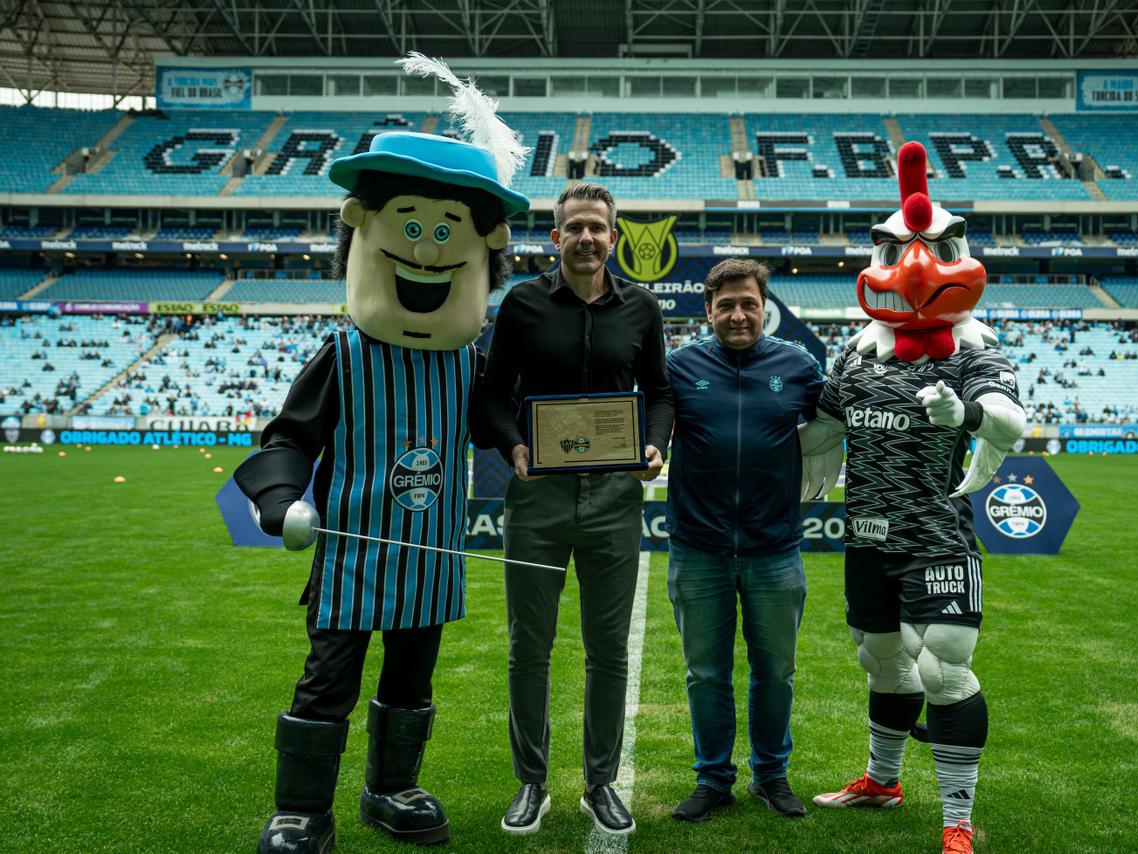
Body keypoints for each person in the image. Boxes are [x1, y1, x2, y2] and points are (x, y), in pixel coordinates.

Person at [233, 55, 529, 854]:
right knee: (327, 679)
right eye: (412, 229)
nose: (431, 250)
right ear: (364, 228)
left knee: (411, 681)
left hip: (430, 556)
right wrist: (278, 500)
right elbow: (288, 437)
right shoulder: (344, 354)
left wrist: (537, 450)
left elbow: (499, 424)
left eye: (448, 234)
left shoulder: (467, 363)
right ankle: (302, 809)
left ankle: (390, 788)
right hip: (350, 558)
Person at [809, 142, 1026, 854]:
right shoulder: (856, 355)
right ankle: (883, 779)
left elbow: (1008, 421)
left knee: (944, 665)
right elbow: (818, 426)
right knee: (882, 661)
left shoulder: (973, 352)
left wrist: (963, 415)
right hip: (867, 534)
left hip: (937, 536)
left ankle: (958, 822)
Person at [472, 182, 674, 837]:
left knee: (607, 650)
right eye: (575, 227)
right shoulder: (523, 305)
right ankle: (530, 782)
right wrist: (514, 445)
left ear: (612, 238)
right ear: (556, 237)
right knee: (528, 647)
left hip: (615, 498)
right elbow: (493, 395)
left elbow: (662, 394)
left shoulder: (641, 309)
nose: (588, 237)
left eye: (598, 227)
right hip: (538, 496)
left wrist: (654, 443)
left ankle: (600, 782)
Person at [663, 259, 839, 823]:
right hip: (698, 548)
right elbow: (642, 428)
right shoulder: (680, 366)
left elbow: (839, 422)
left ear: (766, 308)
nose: (738, 315)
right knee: (706, 673)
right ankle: (713, 778)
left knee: (776, 673)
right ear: (708, 310)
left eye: (749, 305)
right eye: (726, 306)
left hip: (775, 548)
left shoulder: (799, 364)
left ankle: (771, 775)